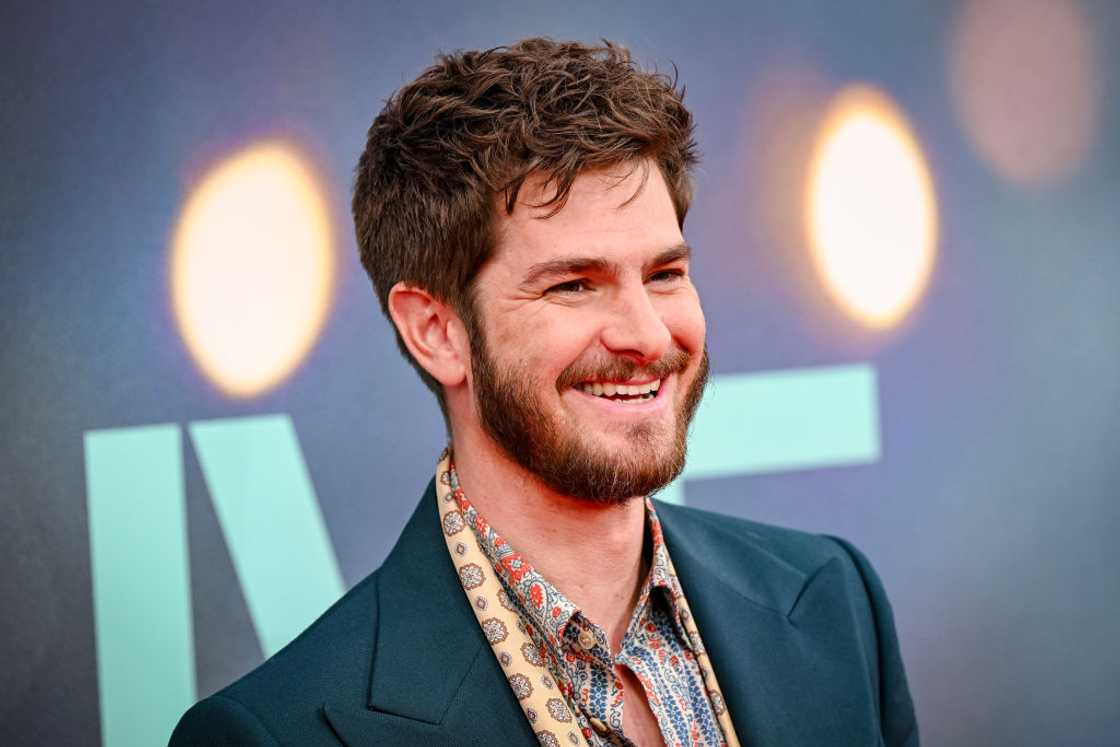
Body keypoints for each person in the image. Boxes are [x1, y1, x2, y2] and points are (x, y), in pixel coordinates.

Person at [170, 38, 918, 746]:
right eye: (574, 284)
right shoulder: (280, 732)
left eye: (665, 273)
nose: (649, 335)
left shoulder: (834, 603)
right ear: (436, 329)